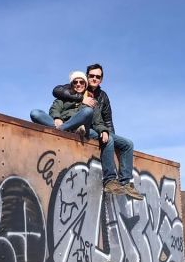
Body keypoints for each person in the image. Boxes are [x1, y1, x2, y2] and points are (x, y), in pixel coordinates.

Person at [52, 63, 143, 200]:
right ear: (87, 76)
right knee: (108, 138)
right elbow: (57, 91)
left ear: (101, 79)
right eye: (92, 76)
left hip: (100, 127)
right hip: (87, 127)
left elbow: (107, 120)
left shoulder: (103, 96)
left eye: (98, 76)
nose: (94, 78)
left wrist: (109, 135)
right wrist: (81, 98)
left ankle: (126, 183)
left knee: (128, 144)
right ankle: (109, 181)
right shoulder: (79, 85)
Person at [30, 71, 103, 137]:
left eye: (81, 82)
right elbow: (55, 108)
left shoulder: (91, 100)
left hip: (81, 127)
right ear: (71, 84)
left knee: (88, 111)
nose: (78, 84)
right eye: (75, 82)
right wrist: (56, 118)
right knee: (35, 113)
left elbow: (98, 122)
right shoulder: (64, 97)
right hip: (61, 123)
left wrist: (104, 131)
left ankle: (63, 129)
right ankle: (66, 129)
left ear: (85, 84)